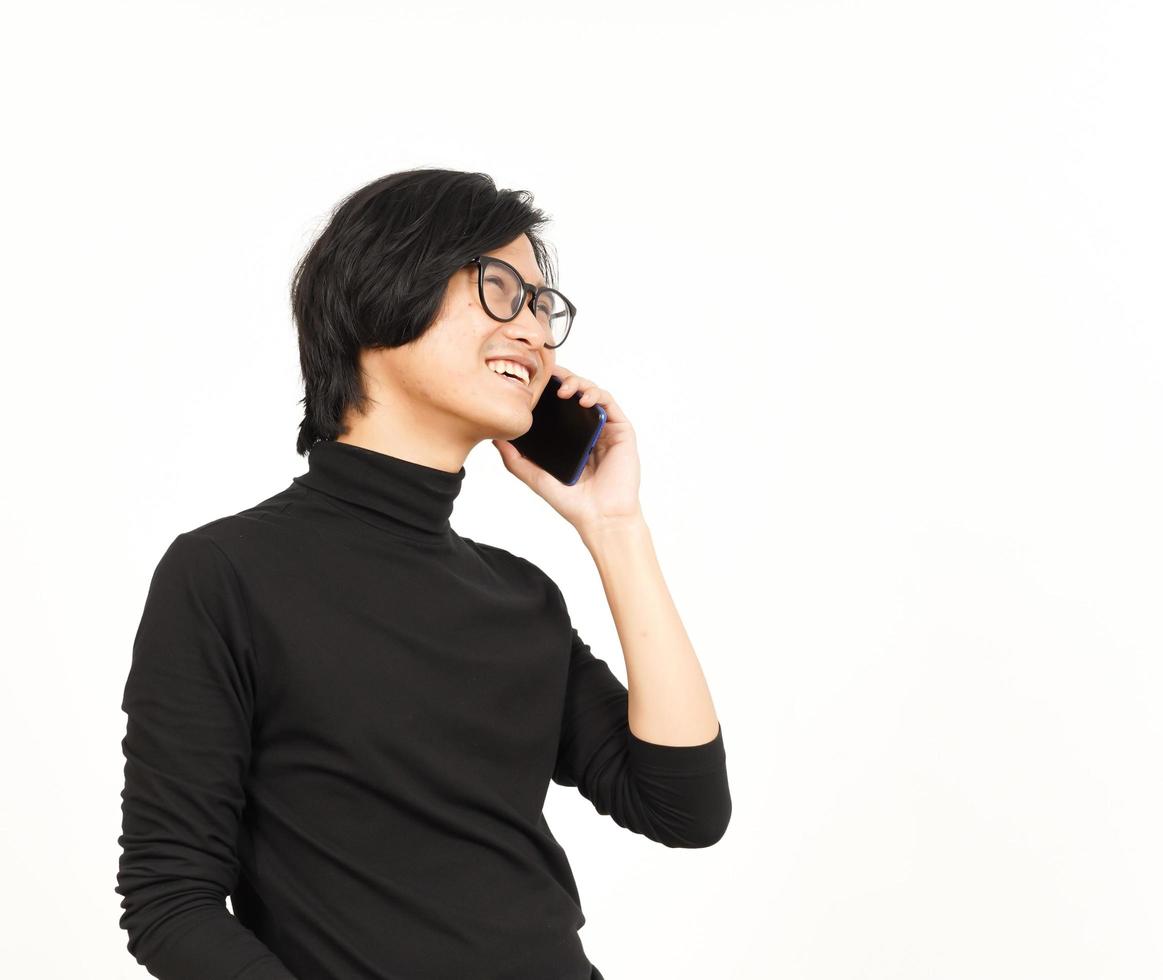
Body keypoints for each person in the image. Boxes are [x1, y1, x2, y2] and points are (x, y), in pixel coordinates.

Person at [115, 168, 731, 979]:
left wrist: (617, 529)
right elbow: (172, 904)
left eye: (545, 308)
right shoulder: (225, 575)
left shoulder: (519, 598)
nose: (537, 333)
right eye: (501, 289)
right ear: (382, 291)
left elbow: (684, 806)